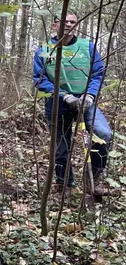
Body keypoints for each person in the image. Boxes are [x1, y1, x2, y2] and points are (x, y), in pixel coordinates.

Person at [33, 12, 112, 197]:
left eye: (72, 22)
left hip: (87, 102)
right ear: (55, 25)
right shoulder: (44, 49)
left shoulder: (87, 47)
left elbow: (98, 73)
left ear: (77, 25)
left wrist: (90, 95)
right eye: (64, 21)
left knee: (103, 133)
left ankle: (94, 179)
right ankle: (64, 185)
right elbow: (39, 79)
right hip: (57, 104)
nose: (68, 25)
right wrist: (64, 96)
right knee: (61, 148)